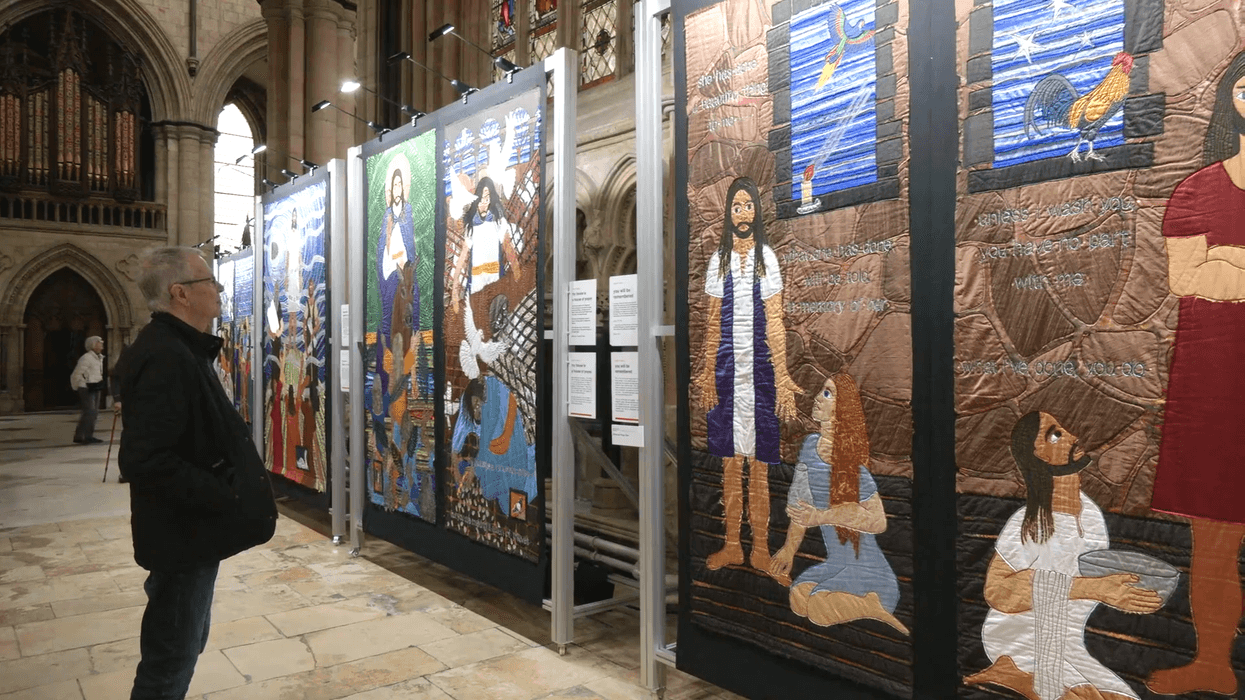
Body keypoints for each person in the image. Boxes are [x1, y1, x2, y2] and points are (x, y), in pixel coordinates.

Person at [118, 246, 277, 700]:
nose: (220, 289)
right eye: (210, 282)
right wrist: (224, 495)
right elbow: (145, 459)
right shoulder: (165, 355)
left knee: (183, 647)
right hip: (182, 537)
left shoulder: (177, 348)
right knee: (169, 663)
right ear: (180, 294)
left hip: (189, 535)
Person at [1146, 51, 1245, 697]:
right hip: (1214, 387)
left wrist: (1228, 269)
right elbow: (1186, 278)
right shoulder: (1196, 190)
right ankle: (1212, 660)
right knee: (1212, 538)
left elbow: (1210, 275)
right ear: (1231, 99)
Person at [965, 411, 1162, 700]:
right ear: (1038, 455)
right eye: (1055, 435)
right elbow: (998, 591)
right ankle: (1010, 668)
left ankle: (1014, 674)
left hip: (1068, 643)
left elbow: (1091, 572)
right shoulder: (1030, 522)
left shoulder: (1092, 514)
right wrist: (1094, 588)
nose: (1072, 437)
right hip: (1020, 638)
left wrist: (1125, 590)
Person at [695, 176, 800, 573]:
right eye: (736, 206)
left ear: (756, 211)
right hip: (725, 376)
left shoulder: (766, 259)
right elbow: (711, 325)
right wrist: (707, 374)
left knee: (758, 464)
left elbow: (775, 320)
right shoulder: (718, 261)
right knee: (728, 462)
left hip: (760, 375)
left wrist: (783, 378)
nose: (743, 213)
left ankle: (759, 547)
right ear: (729, 214)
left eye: (748, 205)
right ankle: (732, 545)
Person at [767, 375, 907, 635]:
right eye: (822, 390)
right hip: (837, 564)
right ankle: (862, 604)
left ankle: (874, 603)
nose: (818, 397)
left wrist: (820, 517)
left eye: (829, 394)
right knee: (798, 599)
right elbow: (802, 506)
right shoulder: (809, 446)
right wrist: (788, 549)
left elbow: (878, 521)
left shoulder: (851, 463)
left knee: (819, 607)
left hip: (870, 572)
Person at [70, 335, 105, 444]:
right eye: (100, 342)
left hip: (95, 386)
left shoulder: (99, 357)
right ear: (93, 345)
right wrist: (78, 385)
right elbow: (77, 373)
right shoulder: (86, 357)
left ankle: (86, 436)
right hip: (86, 387)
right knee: (89, 412)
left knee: (93, 413)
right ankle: (82, 436)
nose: (102, 344)